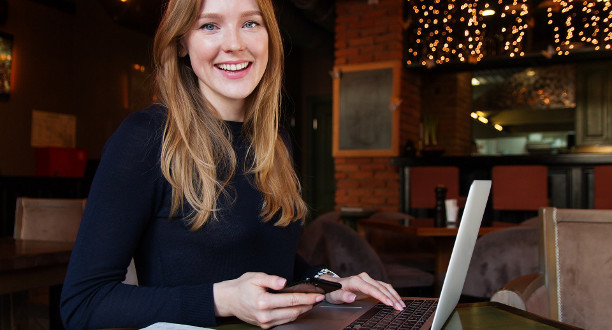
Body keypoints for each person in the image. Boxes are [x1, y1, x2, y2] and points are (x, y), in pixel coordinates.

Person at [60, 0, 406, 328]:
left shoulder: (274, 138)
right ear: (182, 42)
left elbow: (267, 258)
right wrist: (219, 300)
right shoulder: (144, 138)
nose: (235, 44)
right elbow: (82, 303)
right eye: (210, 25)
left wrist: (330, 283)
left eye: (250, 23)